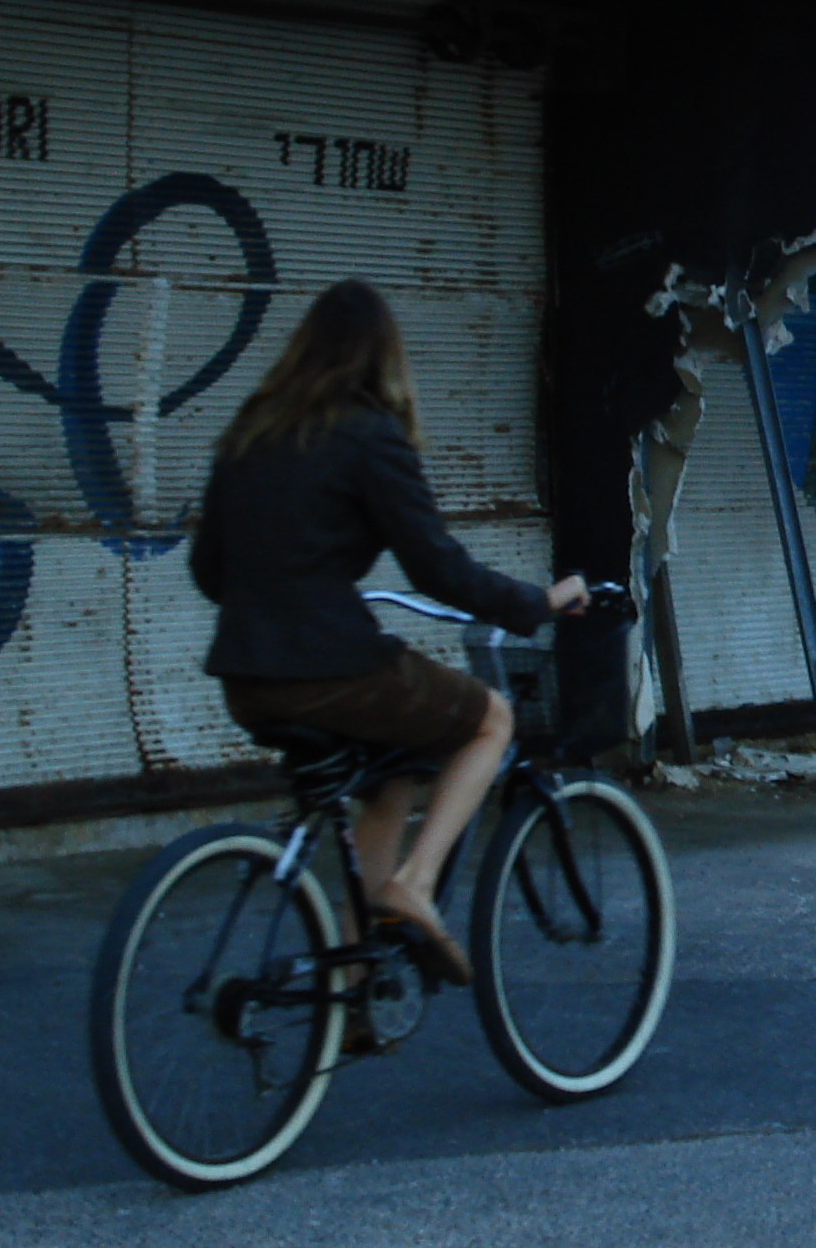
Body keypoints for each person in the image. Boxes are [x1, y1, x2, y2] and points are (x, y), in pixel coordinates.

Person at [189, 278, 585, 985]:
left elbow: (209, 572)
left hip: (246, 681)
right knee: (490, 720)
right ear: (384, 356)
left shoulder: (250, 432)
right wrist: (536, 602)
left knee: (394, 775)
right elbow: (438, 569)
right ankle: (415, 884)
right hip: (330, 671)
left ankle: (352, 985)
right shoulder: (370, 434)